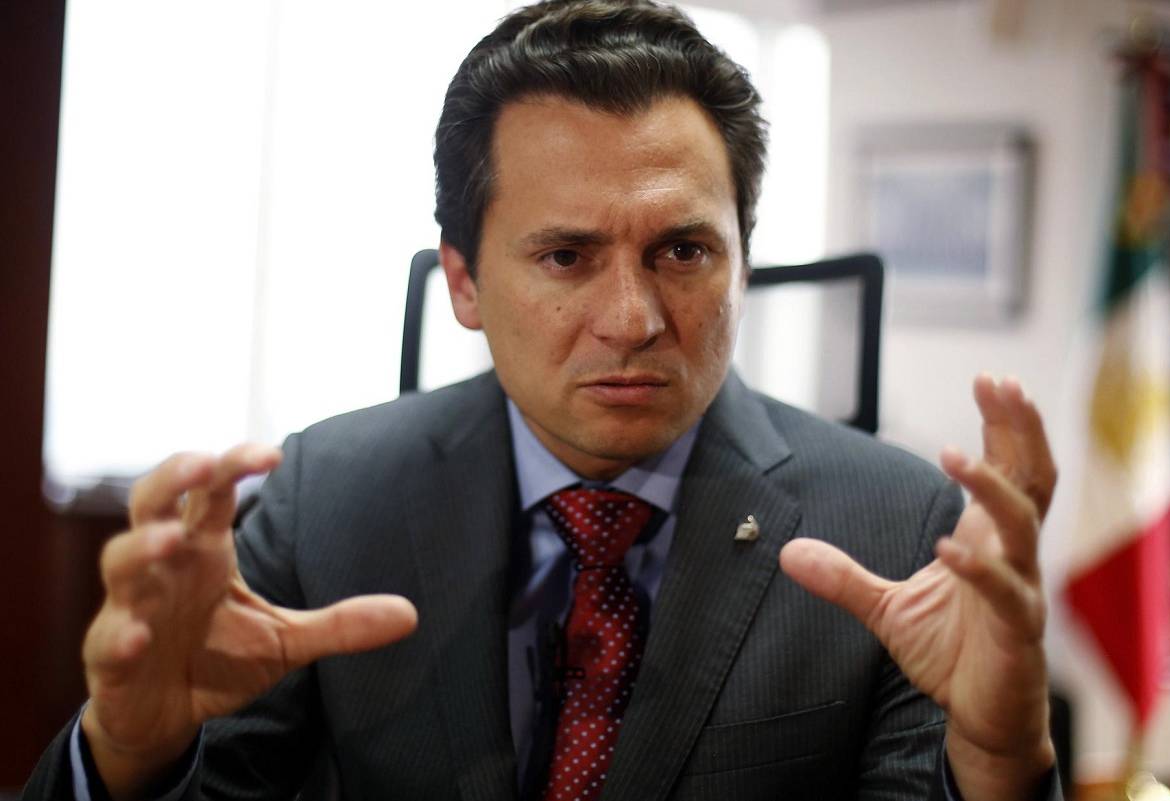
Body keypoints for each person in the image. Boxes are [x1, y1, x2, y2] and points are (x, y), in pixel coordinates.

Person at [25, 1, 1061, 799]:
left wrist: (999, 760)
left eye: (682, 251)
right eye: (567, 256)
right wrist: (123, 755)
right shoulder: (328, 499)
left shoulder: (896, 528)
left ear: (742, 263)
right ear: (464, 283)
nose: (632, 319)